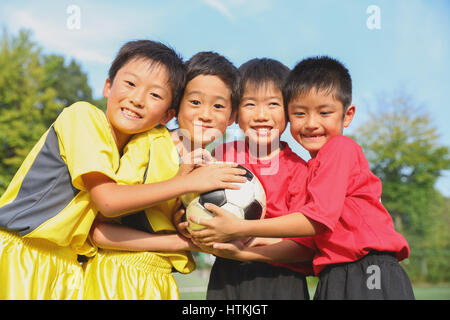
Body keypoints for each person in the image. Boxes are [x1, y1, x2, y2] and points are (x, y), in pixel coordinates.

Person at [0, 41, 243, 300]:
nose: (137, 99)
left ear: (165, 112)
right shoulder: (90, 119)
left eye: (155, 95)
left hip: (70, 269)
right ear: (107, 86)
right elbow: (108, 204)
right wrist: (187, 194)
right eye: (130, 84)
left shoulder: (153, 149)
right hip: (23, 254)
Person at [193, 56, 415, 300]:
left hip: (364, 271)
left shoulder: (335, 151)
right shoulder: (225, 154)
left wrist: (241, 231)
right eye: (300, 113)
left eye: (324, 112)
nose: (311, 123)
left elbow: (316, 222)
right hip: (330, 274)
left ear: (347, 115)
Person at [83, 51, 243, 299]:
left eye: (219, 106)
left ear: (232, 117)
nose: (206, 114)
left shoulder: (210, 172)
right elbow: (100, 229)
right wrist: (181, 242)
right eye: (195, 102)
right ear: (175, 108)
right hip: (115, 277)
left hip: (162, 282)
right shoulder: (148, 143)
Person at [193, 58, 316, 300]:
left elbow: (307, 244)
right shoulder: (221, 155)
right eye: (250, 104)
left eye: (273, 104)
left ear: (290, 112)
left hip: (281, 279)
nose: (261, 115)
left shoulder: (300, 170)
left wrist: (256, 239)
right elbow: (195, 203)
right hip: (226, 276)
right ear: (235, 114)